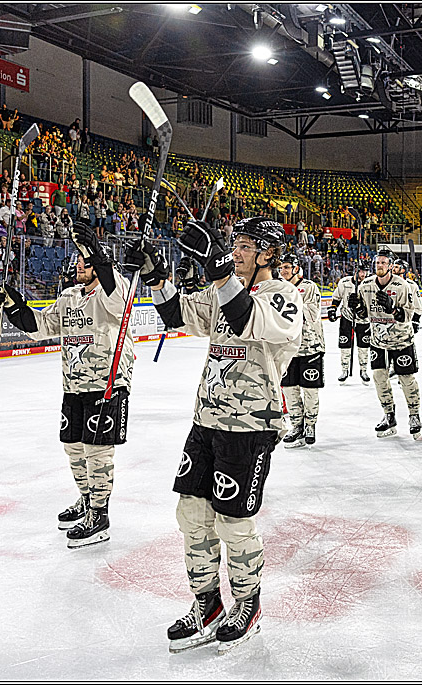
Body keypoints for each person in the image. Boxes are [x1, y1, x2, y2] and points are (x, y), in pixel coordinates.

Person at [129, 216, 302, 654]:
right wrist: (156, 275)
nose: (239, 252)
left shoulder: (283, 297)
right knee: (192, 514)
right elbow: (177, 316)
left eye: (247, 246)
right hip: (206, 420)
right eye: (236, 245)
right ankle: (206, 604)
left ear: (268, 254)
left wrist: (221, 269)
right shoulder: (221, 289)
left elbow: (245, 319)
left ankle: (248, 603)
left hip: (249, 428)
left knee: (233, 521)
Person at [0, 221, 133, 548]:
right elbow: (39, 326)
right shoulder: (70, 297)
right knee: (73, 447)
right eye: (79, 261)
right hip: (74, 386)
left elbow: (117, 299)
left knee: (98, 453)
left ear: (98, 266)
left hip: (107, 384)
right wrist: (13, 304)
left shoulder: (115, 290)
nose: (78, 265)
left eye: (85, 262)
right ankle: (86, 500)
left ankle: (100, 514)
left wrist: (95, 252)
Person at [351, 248, 422, 439]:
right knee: (380, 379)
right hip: (378, 342)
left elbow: (408, 315)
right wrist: (356, 307)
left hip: (401, 341)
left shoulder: (402, 286)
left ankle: (414, 415)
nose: (379, 266)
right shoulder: (365, 285)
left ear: (391, 265)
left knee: (407, 379)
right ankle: (388, 415)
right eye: (377, 263)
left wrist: (393, 308)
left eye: (383, 263)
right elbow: (363, 315)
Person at [279, 252, 325, 447]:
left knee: (310, 390)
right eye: (281, 267)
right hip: (287, 349)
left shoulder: (309, 287)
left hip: (310, 347)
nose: (283, 271)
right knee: (289, 390)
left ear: (296, 269)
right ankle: (296, 425)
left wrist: (285, 305)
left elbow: (312, 314)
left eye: (287, 267)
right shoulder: (278, 288)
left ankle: (310, 425)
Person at [328, 263, 371, 384]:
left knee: (364, 346)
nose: (363, 274)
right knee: (344, 344)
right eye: (361, 271)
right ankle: (345, 369)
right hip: (346, 318)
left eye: (365, 272)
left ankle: (363, 370)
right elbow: (337, 298)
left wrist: (362, 308)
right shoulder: (344, 282)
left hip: (363, 320)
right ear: (355, 271)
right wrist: (333, 309)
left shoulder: (369, 284)